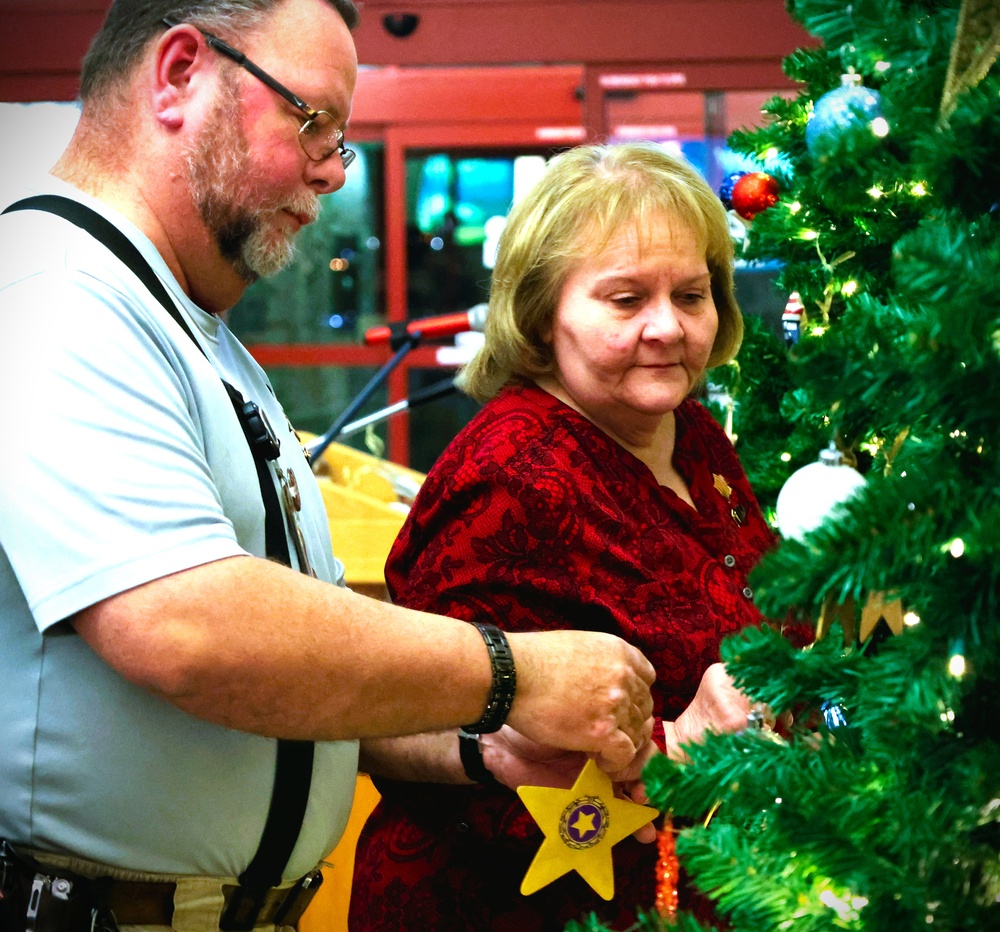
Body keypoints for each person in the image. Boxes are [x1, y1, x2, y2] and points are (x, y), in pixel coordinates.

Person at [0, 4, 658, 931]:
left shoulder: (194, 331)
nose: (333, 169)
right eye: (312, 122)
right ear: (180, 72)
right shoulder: (52, 291)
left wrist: (483, 749)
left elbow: (298, 680)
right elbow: (188, 627)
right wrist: (512, 673)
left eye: (341, 139)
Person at [349, 142, 777, 930]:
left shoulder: (693, 434)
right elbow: (412, 730)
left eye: (691, 295)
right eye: (624, 299)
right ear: (544, 314)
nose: (668, 328)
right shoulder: (509, 472)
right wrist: (669, 745)